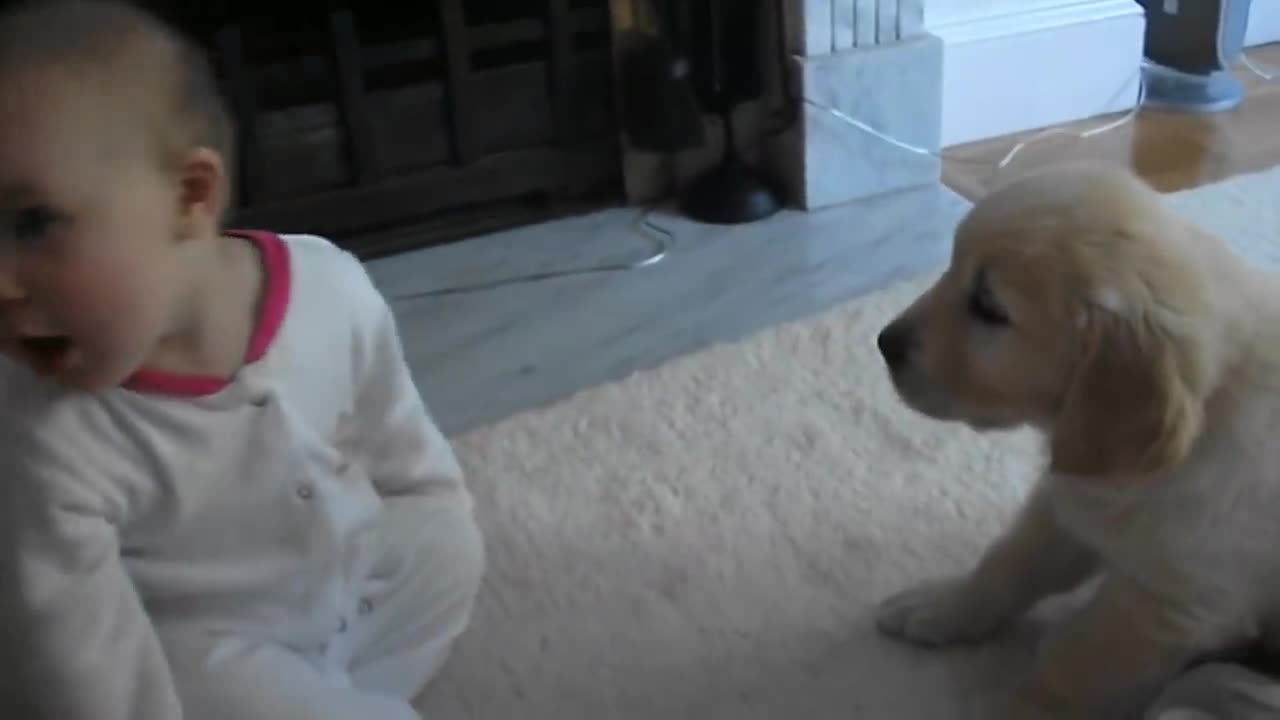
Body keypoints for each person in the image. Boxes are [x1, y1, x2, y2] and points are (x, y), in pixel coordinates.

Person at [0, 1, 485, 718]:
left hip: (343, 581)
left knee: (449, 548)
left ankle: (326, 690)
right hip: (193, 641)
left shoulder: (328, 283)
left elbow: (400, 443)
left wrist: (428, 513)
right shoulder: (44, 437)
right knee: (183, 683)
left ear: (189, 196)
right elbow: (82, 669)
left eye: (33, 223)